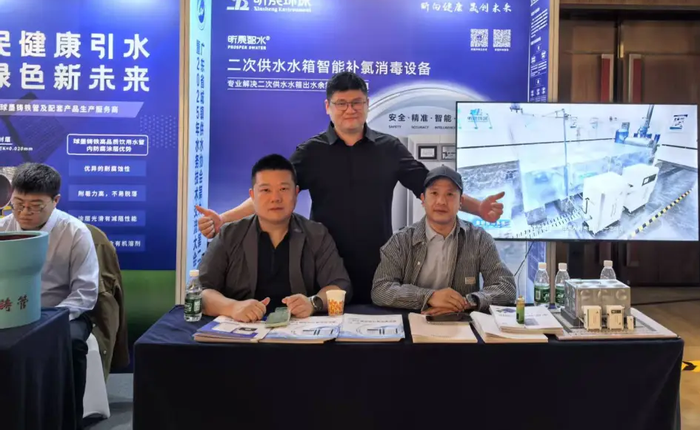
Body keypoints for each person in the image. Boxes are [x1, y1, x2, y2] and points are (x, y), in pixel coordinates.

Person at [196, 72, 505, 302]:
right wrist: (224, 218)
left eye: (357, 102)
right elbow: (273, 193)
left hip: (378, 262)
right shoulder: (311, 151)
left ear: (367, 105)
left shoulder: (389, 148)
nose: (350, 109)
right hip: (321, 263)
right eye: (341, 103)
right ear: (327, 107)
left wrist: (479, 208)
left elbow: (433, 187)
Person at [0, 163, 99, 429]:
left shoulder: (75, 232)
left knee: (72, 344)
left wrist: (49, 320)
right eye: (18, 204)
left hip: (62, 312)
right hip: (10, 311)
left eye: (35, 206)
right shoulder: (4, 228)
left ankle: (69, 421)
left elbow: (85, 293)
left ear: (55, 201)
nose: (24, 212)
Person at [198, 154, 351, 322]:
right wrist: (233, 307)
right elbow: (201, 290)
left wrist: (313, 303)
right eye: (266, 190)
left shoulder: (316, 234)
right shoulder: (229, 235)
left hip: (298, 332)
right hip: (241, 330)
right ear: (252, 195)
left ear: (296, 193)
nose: (275, 198)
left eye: (283, 189)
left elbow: (340, 285)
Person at [371, 166, 515, 313]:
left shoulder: (479, 239)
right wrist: (429, 297)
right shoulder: (401, 241)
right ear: (423, 199)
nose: (441, 201)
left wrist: (465, 302)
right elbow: (381, 289)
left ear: (460, 202)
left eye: (450, 194)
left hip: (460, 321)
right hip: (414, 320)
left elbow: (506, 287)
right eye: (434, 193)